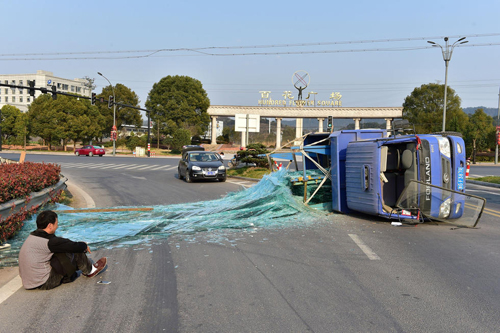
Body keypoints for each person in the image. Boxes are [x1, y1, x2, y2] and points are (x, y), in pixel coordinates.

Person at [18, 210, 107, 290]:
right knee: (73, 249)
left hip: (28, 283)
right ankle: (90, 270)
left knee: (63, 249)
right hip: (45, 282)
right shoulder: (50, 241)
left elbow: (62, 243)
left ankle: (74, 270)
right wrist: (84, 245)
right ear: (50, 226)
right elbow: (73, 246)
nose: (57, 226)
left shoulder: (33, 236)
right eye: (56, 223)